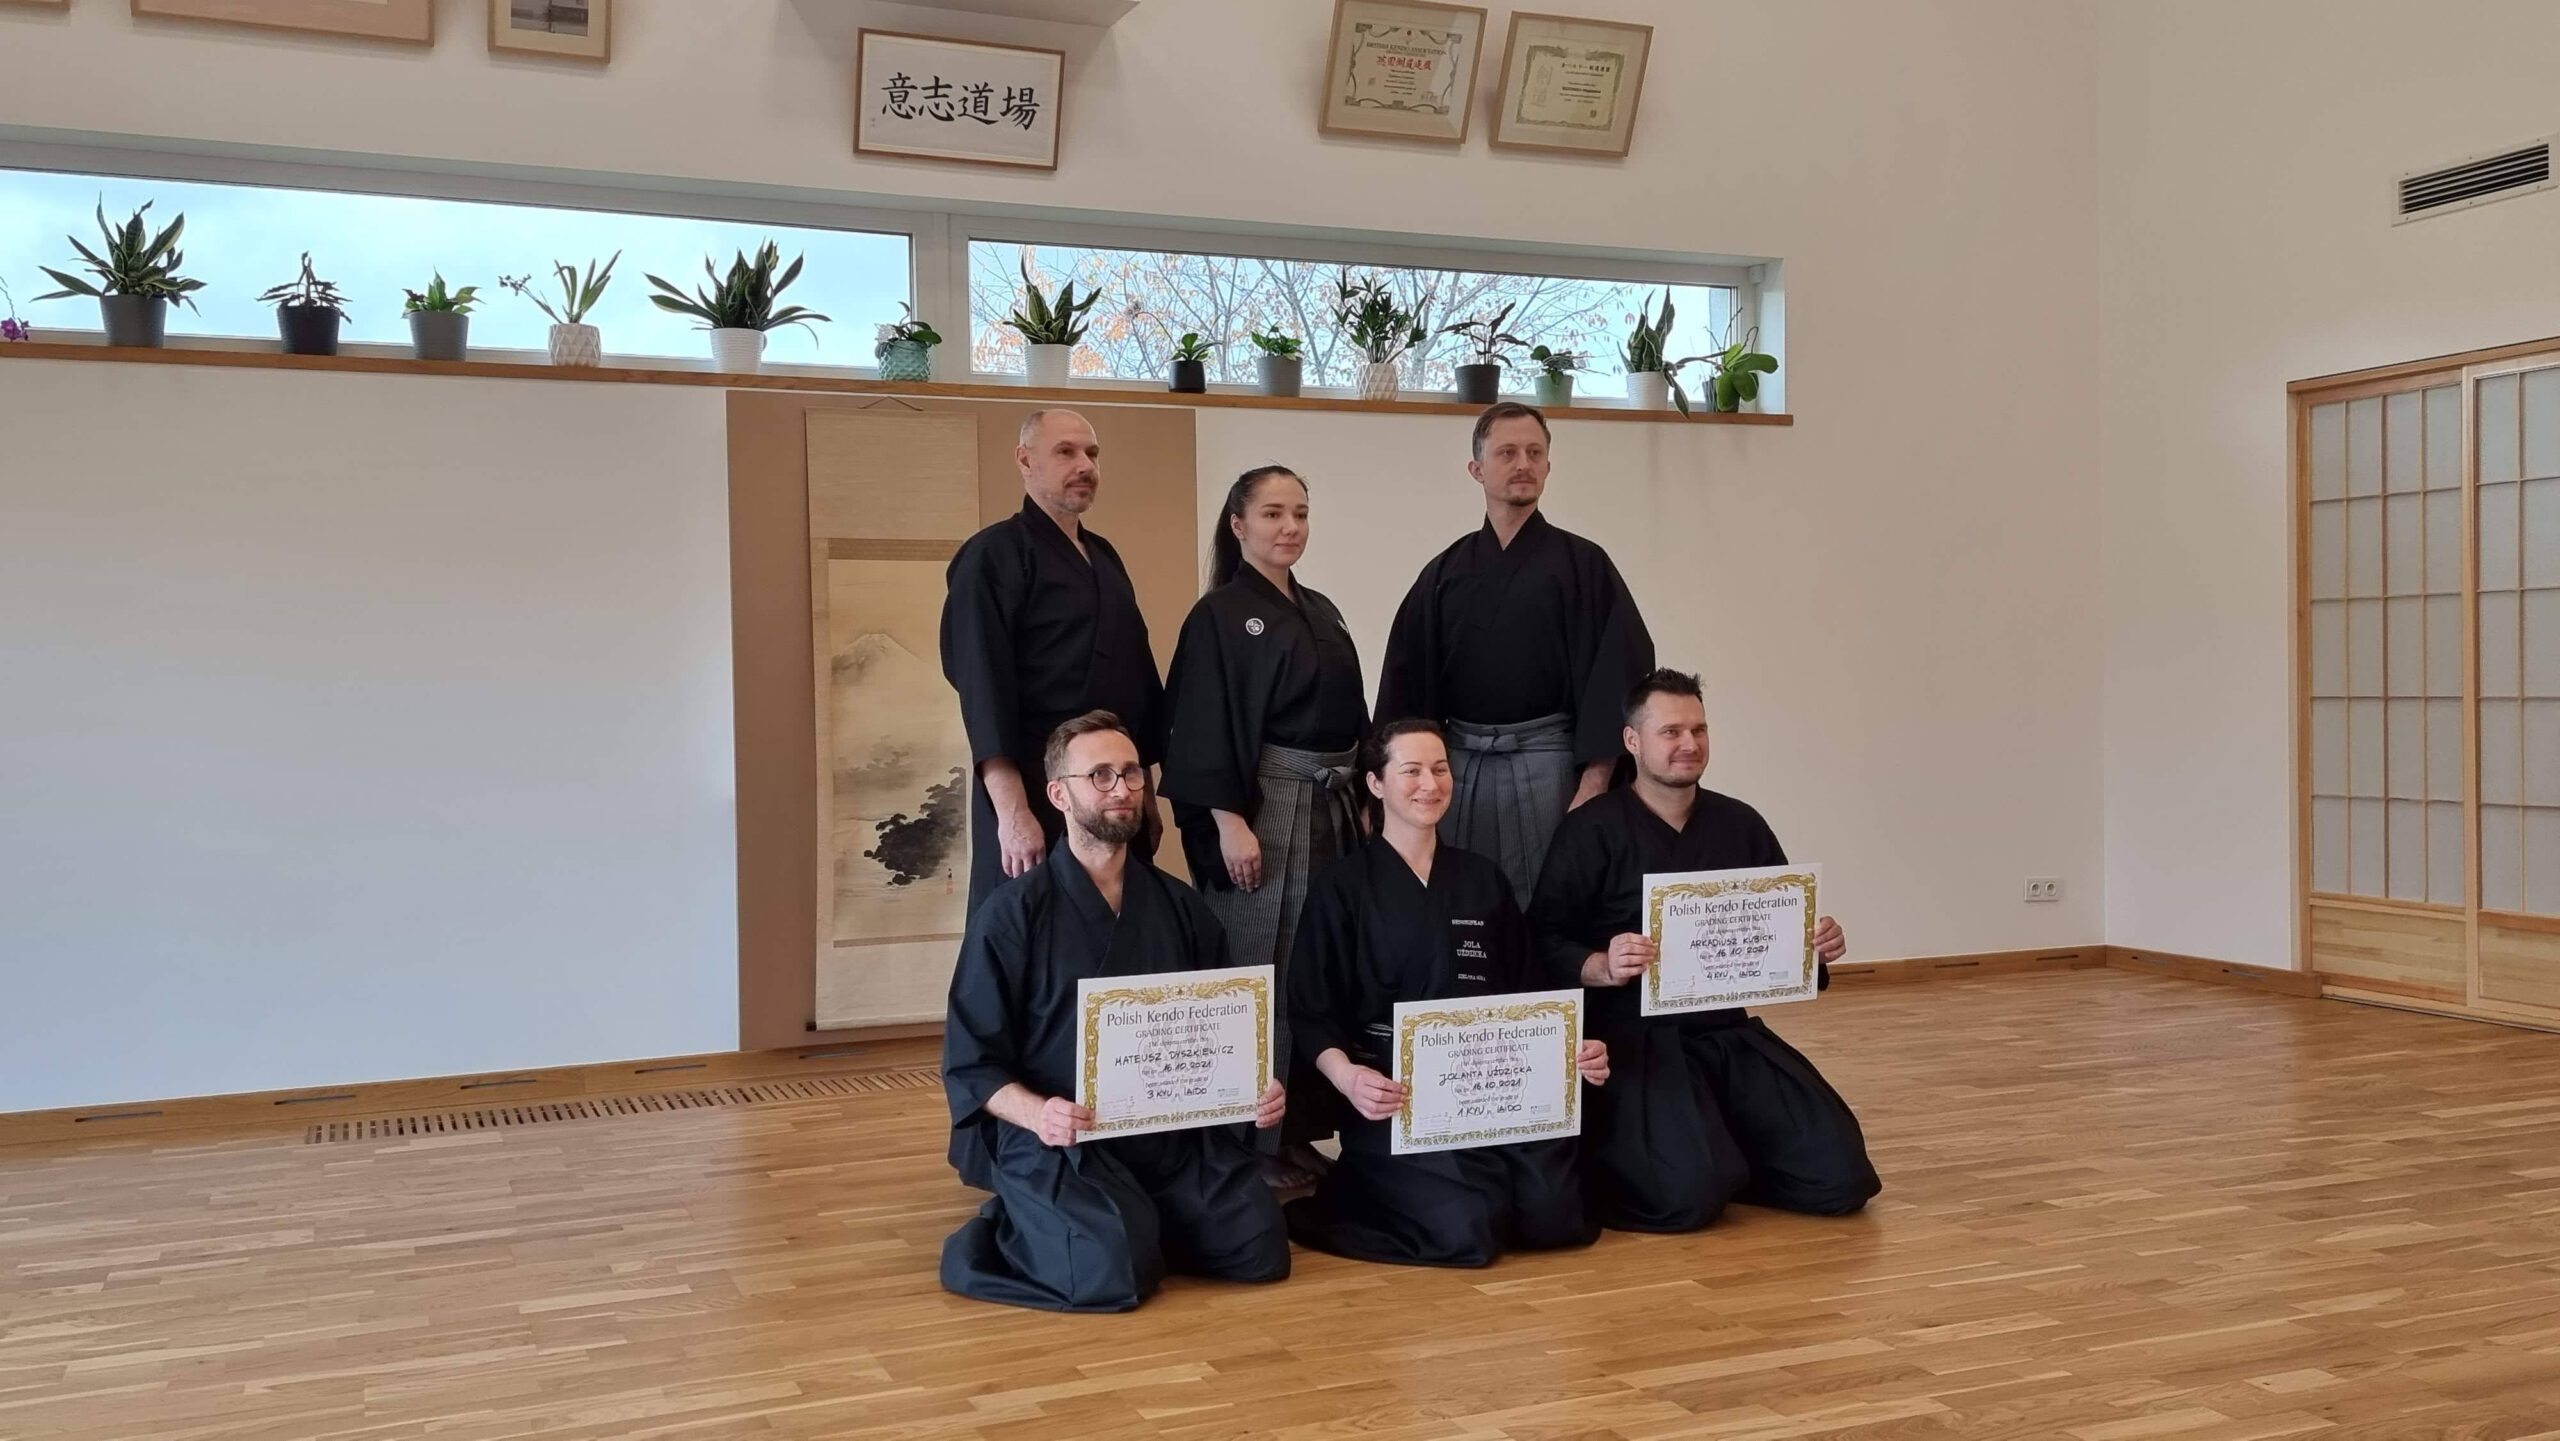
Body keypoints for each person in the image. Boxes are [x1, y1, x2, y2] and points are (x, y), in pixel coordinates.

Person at [939, 711, 1291, 1312]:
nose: (1122, 788)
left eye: (1131, 773)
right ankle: (1022, 1226)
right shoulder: (1012, 915)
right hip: (1064, 1136)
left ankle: (1131, 1223)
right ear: (1059, 794)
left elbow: (1225, 1027)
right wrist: (1038, 1114)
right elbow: (971, 1063)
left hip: (1167, 1133)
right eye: (1099, 775)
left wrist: (1254, 1089)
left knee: (1260, 1249)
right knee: (1110, 1273)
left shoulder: (1180, 906)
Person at [1529, 669, 1879, 1232]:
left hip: (1724, 1031)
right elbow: (1541, 941)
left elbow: (1780, 935)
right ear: (1633, 741)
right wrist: (1601, 965)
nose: (1688, 744)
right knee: (1685, 1200)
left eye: (1698, 730)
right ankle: (1686, 1160)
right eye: (1670, 732)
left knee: (1841, 1178)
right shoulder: (1589, 830)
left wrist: (1814, 948)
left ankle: (1724, 1155)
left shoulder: (1740, 823)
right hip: (1634, 1037)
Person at [1284, 719, 1611, 1267]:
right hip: (1397, 1096)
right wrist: (1349, 1078)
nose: (1429, 784)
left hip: (1492, 1087)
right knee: (1468, 1231)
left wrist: (1571, 1048)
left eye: (1440, 770)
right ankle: (1361, 1186)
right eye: (1411, 771)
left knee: (1554, 1216)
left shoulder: (1482, 878)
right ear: (1376, 783)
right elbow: (1311, 1008)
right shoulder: (1342, 887)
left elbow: (1528, 991)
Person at [1161, 465, 1369, 1187]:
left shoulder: (1323, 608)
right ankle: (1250, 1139)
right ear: (1238, 524)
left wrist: (1366, 791)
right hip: (1264, 805)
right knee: (1262, 967)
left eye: (1300, 513)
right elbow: (1199, 726)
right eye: (1274, 513)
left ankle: (1301, 1129)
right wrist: (1229, 821)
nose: (1290, 527)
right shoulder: (1218, 615)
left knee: (1321, 966)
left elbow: (1354, 714)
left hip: (1333, 801)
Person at [1376, 402, 1654, 903]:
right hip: (1461, 769)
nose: (1523, 464)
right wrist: (1407, 781)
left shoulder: (1584, 565)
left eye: (1534, 453)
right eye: (1507, 453)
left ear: (1548, 465)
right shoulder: (1443, 573)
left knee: (1555, 900)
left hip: (1550, 767)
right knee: (1460, 902)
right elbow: (1405, 682)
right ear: (1477, 469)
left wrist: (1594, 781)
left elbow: (1620, 672)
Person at [941, 409, 1166, 915]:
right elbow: (983, 691)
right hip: (1035, 783)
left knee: (1122, 924)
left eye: (1092, 454)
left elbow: (1136, 677)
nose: (1084, 465)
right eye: (1065, 452)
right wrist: (1011, 812)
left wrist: (1144, 789)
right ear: (1025, 461)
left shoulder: (1105, 556)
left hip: (1112, 787)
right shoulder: (991, 556)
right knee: (1031, 925)